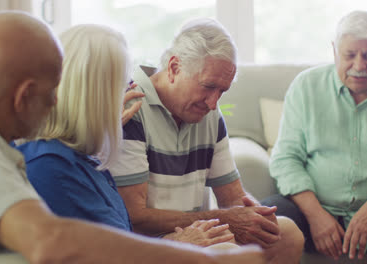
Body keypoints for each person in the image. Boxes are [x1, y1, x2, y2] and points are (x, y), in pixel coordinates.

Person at [0, 11, 267, 264]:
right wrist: (204, 257)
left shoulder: (6, 144)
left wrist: (102, 129)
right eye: (50, 93)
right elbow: (51, 240)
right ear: (24, 97)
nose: (57, 101)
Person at [16, 23, 235, 248]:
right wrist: (180, 244)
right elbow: (112, 254)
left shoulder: (82, 159)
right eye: (121, 87)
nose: (127, 97)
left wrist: (103, 131)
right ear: (93, 95)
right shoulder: (53, 168)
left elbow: (119, 238)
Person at [110, 18, 304, 264]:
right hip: (150, 242)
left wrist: (255, 216)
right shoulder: (132, 105)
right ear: (174, 67)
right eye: (208, 86)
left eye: (222, 91)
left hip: (199, 232)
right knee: (228, 254)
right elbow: (135, 215)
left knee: (287, 233)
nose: (213, 103)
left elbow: (232, 197)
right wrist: (226, 219)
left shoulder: (208, 113)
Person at [262, 10, 367, 263]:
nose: (359, 66)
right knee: (267, 218)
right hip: (313, 214)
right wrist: (316, 215)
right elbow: (286, 159)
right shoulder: (305, 87)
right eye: (350, 55)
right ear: (335, 51)